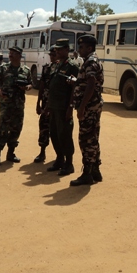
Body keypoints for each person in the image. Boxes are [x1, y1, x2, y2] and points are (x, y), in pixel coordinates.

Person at [70, 34, 104, 186]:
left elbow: (91, 84)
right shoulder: (91, 60)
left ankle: (87, 174)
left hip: (90, 107)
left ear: (89, 48)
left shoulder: (90, 62)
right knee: (93, 138)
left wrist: (82, 107)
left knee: (86, 140)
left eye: (82, 47)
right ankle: (95, 170)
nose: (79, 50)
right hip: (93, 106)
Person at [0, 46, 32, 165]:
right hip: (6, 104)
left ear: (20, 56)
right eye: (10, 53)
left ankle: (11, 153)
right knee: (2, 128)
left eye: (13, 53)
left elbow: (30, 84)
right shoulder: (3, 68)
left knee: (16, 128)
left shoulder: (26, 70)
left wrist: (27, 87)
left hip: (19, 105)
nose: (10, 55)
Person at [46, 39, 79, 176]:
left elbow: (74, 88)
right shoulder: (57, 64)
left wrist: (70, 107)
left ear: (67, 49)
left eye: (60, 49)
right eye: (56, 49)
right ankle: (59, 159)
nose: (57, 51)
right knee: (54, 133)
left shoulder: (72, 66)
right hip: (54, 106)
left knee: (65, 135)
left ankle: (69, 164)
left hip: (64, 107)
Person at [34, 46, 58, 163]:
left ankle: (60, 156)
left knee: (57, 130)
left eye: (54, 55)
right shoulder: (46, 68)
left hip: (57, 105)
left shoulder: (62, 69)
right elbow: (42, 86)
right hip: (45, 103)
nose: (52, 57)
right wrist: (38, 102)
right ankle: (42, 152)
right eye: (51, 55)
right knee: (43, 127)